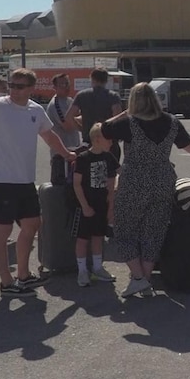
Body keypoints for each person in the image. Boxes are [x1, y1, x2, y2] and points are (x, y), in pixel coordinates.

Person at [0, 68, 77, 297]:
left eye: (20, 86)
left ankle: (23, 274)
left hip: (25, 180)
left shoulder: (35, 110)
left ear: (31, 88)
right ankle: (6, 282)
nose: (14, 90)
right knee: (1, 232)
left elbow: (49, 135)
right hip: (0, 180)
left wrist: (66, 154)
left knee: (33, 224)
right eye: (12, 85)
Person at [99, 83, 190, 297]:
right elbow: (188, 145)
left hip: (135, 181)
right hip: (163, 180)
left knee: (125, 230)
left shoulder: (129, 123)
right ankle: (145, 280)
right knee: (153, 231)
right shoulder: (172, 122)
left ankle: (137, 277)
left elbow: (104, 129)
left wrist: (126, 112)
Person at [72, 123, 119, 287]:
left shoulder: (109, 157)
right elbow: (77, 184)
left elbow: (113, 183)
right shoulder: (83, 158)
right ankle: (82, 271)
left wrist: (111, 206)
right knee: (83, 239)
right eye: (109, 139)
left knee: (99, 236)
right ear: (97, 140)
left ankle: (98, 268)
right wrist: (84, 205)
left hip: (102, 204)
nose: (112, 143)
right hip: (85, 205)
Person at [63, 68, 123, 157]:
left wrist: (81, 129)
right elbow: (118, 118)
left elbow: (68, 116)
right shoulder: (113, 96)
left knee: (90, 169)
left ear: (92, 79)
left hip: (89, 140)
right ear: (106, 80)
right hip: (109, 142)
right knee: (111, 169)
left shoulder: (82, 95)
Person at [46, 73, 82, 185]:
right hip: (62, 154)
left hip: (75, 150)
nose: (66, 86)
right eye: (62, 84)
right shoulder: (55, 104)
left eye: (67, 83)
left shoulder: (70, 101)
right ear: (55, 88)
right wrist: (84, 124)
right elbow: (68, 126)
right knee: (63, 188)